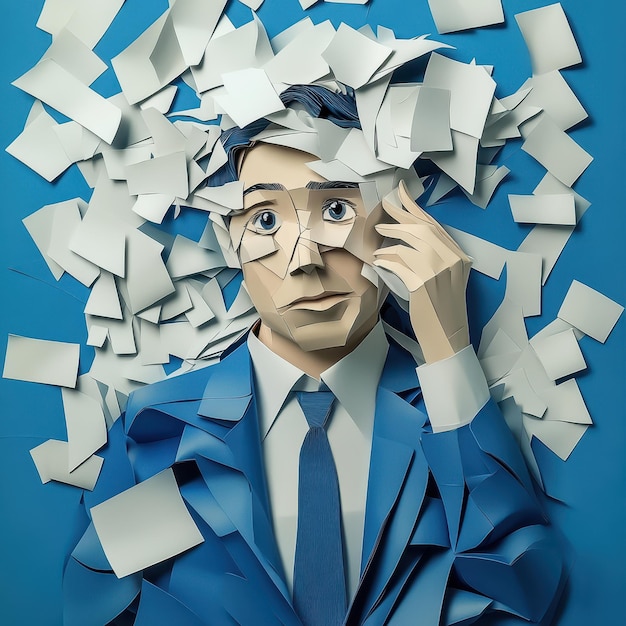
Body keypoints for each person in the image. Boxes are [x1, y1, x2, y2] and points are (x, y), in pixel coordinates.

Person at [64, 86, 566, 626]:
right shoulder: (159, 430)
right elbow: (100, 608)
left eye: (336, 208)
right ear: (228, 240)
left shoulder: (450, 419)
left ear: (400, 222)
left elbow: (519, 587)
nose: (305, 259)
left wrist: (448, 352)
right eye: (264, 220)